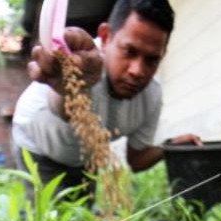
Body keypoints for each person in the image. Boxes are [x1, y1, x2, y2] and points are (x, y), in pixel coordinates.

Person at [12, 0, 200, 190]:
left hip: (84, 155)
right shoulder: (82, 60)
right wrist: (71, 84)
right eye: (129, 51)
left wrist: (169, 148)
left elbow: (136, 160)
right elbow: (64, 108)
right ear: (106, 36)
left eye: (151, 60)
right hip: (38, 144)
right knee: (48, 215)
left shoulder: (152, 96)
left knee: (84, 210)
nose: (137, 71)